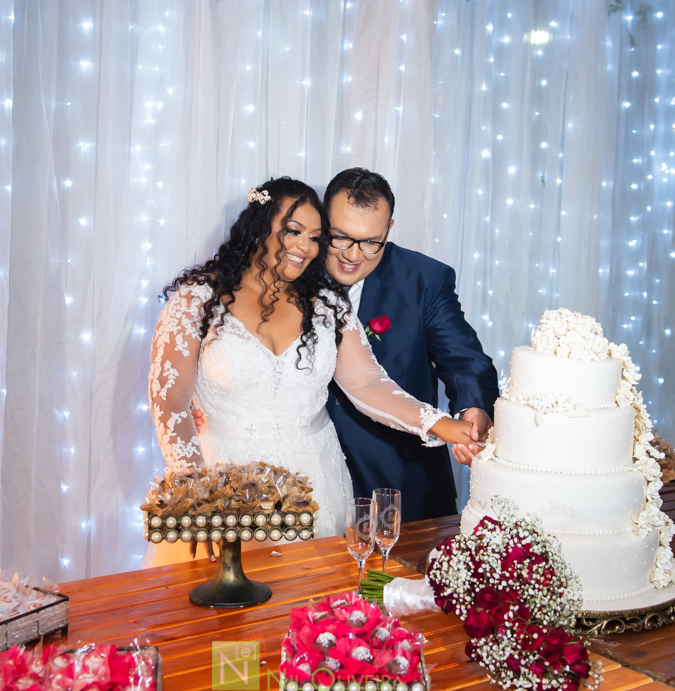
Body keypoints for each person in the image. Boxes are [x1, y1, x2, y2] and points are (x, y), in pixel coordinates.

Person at [147, 177, 478, 547]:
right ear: (260, 225)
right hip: (224, 479)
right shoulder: (197, 300)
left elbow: (366, 383)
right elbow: (170, 401)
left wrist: (441, 424)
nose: (306, 247)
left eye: (316, 237)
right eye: (293, 231)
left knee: (315, 596)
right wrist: (196, 490)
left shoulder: (327, 304)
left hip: (315, 478)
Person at [322, 169, 499, 522]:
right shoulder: (293, 268)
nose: (353, 256)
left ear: (389, 227)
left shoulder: (424, 279)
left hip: (399, 484)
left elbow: (463, 359)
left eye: (371, 241)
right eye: (341, 237)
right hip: (311, 481)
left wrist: (472, 411)